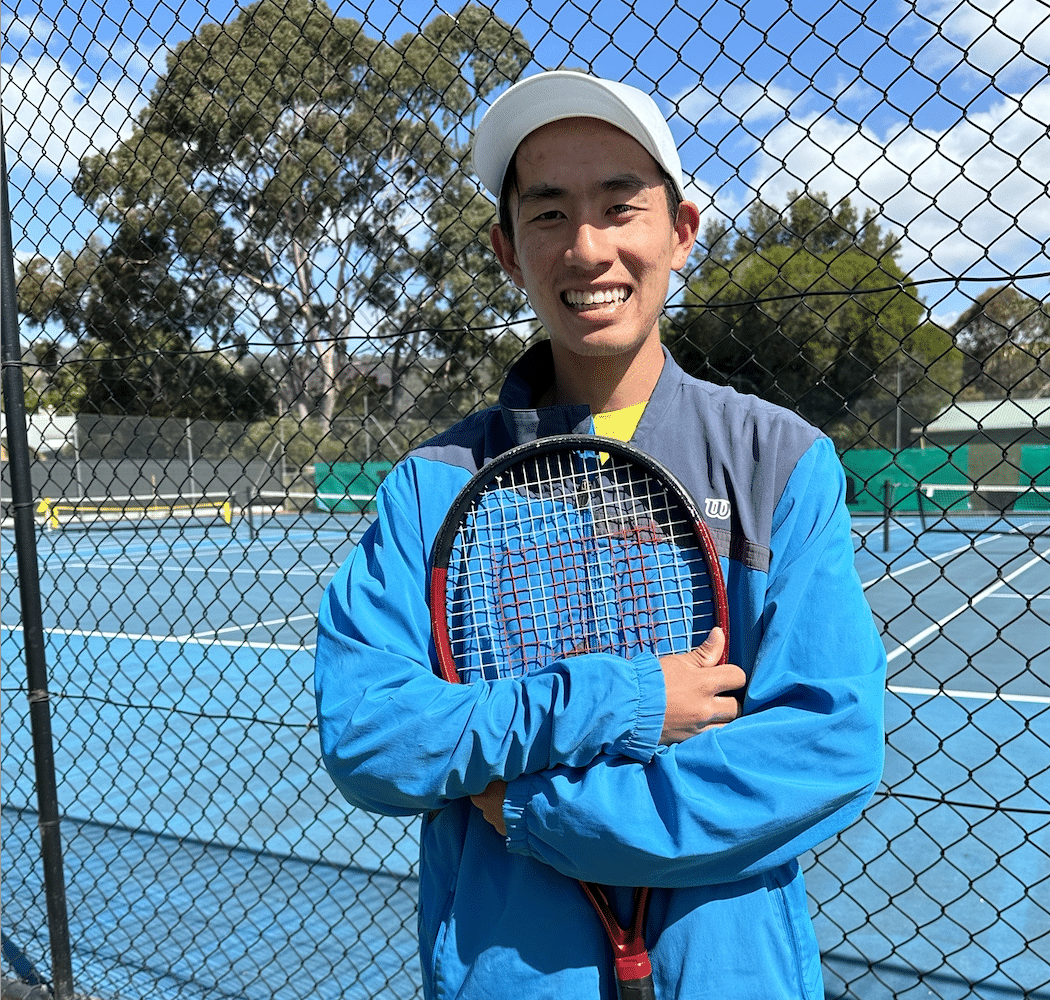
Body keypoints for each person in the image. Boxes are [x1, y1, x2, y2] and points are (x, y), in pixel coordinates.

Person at [315, 69, 886, 999]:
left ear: (682, 231)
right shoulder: (430, 488)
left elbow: (827, 745)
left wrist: (531, 807)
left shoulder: (782, 460)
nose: (587, 249)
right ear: (508, 251)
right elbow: (372, 732)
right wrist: (620, 703)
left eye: (621, 207)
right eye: (548, 215)